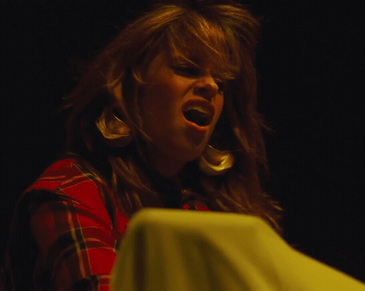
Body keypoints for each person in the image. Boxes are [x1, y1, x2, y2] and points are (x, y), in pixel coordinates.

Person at [2, 2, 282, 290]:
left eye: (221, 81)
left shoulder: (211, 215)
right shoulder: (71, 193)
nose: (211, 85)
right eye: (187, 68)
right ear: (130, 87)